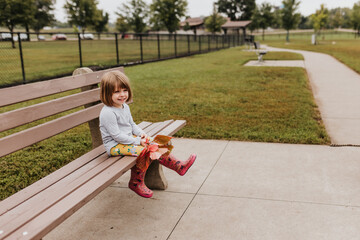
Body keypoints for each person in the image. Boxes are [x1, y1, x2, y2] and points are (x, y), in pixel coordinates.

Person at [99, 70, 196, 198]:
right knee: (145, 151)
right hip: (115, 146)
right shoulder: (108, 113)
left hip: (127, 140)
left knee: (154, 144)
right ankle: (136, 182)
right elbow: (116, 136)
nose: (122, 95)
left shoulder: (124, 106)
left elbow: (132, 125)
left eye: (124, 90)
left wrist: (143, 135)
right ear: (107, 93)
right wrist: (138, 141)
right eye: (117, 92)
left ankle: (179, 166)